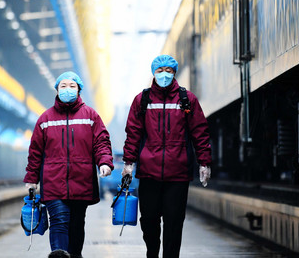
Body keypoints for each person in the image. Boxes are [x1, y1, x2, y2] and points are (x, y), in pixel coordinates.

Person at [122, 55, 212, 258]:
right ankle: (152, 253)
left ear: (174, 73)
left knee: (174, 222)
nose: (164, 75)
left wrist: (204, 162)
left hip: (177, 174)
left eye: (168, 71)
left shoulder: (186, 99)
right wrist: (129, 163)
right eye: (160, 71)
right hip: (148, 173)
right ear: (153, 73)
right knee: (149, 221)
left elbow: (199, 131)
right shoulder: (142, 100)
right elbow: (133, 134)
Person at [24, 71, 114, 258]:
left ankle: (75, 255)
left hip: (82, 181)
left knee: (76, 224)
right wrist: (31, 179)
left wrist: (104, 162)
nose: (67, 89)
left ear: (79, 90)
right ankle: (58, 255)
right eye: (63, 86)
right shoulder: (45, 119)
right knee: (58, 220)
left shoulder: (91, 116)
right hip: (53, 181)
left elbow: (101, 142)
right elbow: (35, 152)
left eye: (72, 86)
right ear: (56, 90)